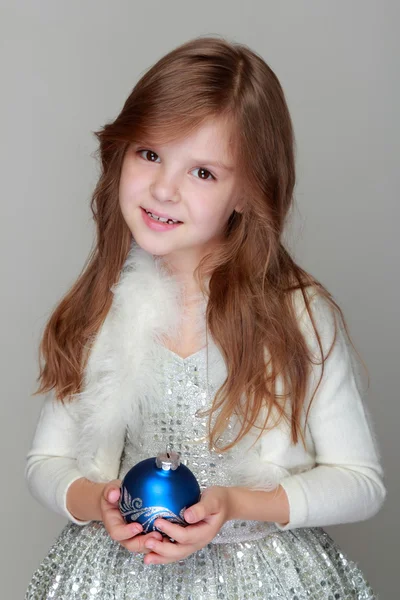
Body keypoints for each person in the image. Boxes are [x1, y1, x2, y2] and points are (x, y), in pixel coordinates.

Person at [25, 36, 386, 599]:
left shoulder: (297, 315)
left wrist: (239, 503)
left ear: (247, 192)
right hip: (122, 577)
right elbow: (45, 460)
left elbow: (361, 483)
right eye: (150, 154)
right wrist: (95, 500)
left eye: (203, 174)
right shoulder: (105, 306)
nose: (164, 189)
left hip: (261, 580)